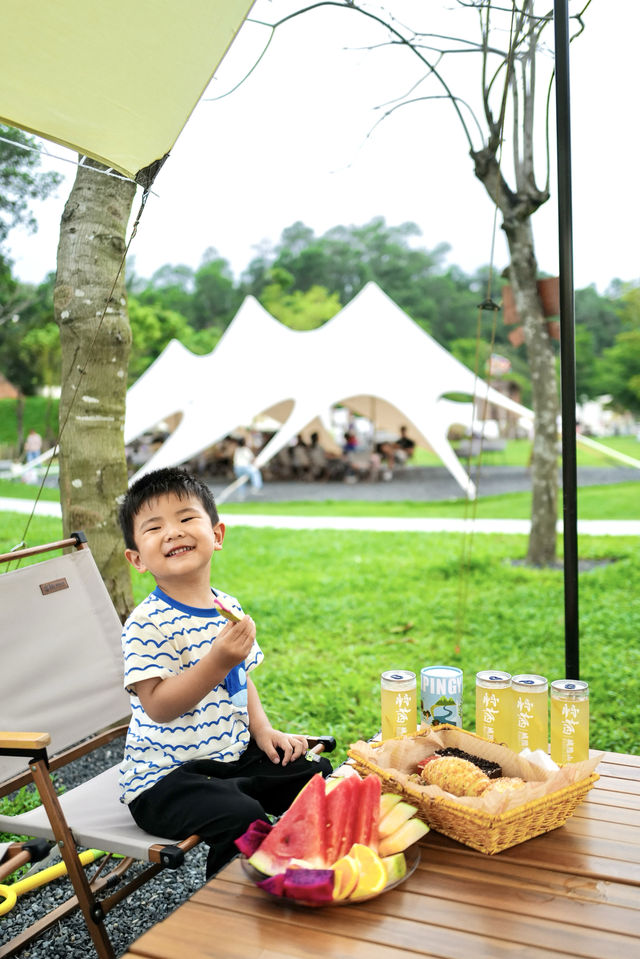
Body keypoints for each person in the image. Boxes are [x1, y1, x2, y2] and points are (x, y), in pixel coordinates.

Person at [117, 467, 332, 879]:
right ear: (137, 559)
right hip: (164, 779)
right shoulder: (146, 623)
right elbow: (159, 706)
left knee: (315, 777)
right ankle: (236, 909)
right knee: (243, 816)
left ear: (216, 535)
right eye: (154, 526)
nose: (173, 532)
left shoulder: (225, 606)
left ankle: (313, 864)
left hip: (229, 758)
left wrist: (264, 731)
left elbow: (241, 677)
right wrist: (215, 661)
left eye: (185, 518)